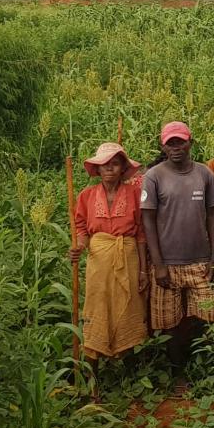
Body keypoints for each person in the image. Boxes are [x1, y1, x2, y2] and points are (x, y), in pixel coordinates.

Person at [141, 122, 214, 390]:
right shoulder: (153, 176)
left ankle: (208, 371)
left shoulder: (204, 173)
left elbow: (213, 215)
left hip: (201, 262)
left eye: (180, 142)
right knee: (170, 324)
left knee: (209, 318)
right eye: (170, 143)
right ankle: (178, 374)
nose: (175, 148)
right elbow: (148, 221)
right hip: (167, 265)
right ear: (162, 146)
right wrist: (159, 264)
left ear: (191, 143)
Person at [69, 142, 148, 382]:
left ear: (123, 168)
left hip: (128, 253)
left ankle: (130, 371)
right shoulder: (86, 196)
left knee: (129, 305)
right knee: (97, 306)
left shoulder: (135, 193)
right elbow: (81, 229)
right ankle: (93, 370)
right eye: (104, 165)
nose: (109, 169)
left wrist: (144, 270)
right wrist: (79, 247)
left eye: (115, 164)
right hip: (99, 258)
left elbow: (142, 234)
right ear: (97, 170)